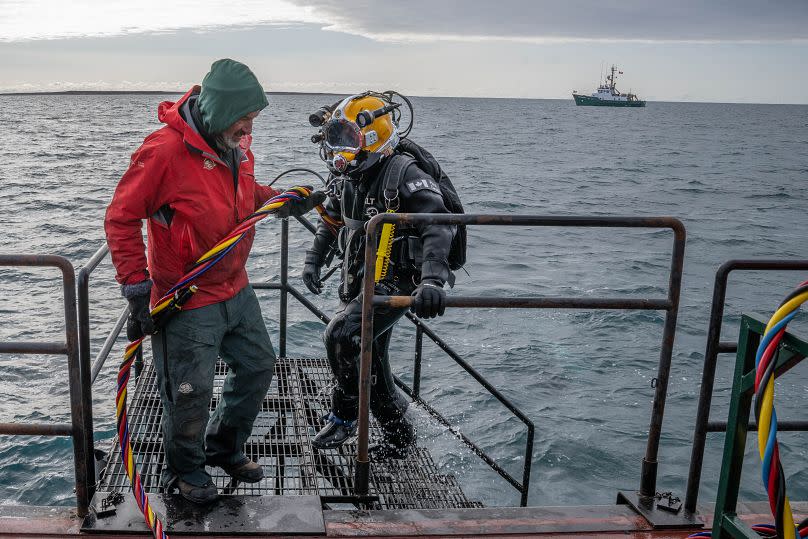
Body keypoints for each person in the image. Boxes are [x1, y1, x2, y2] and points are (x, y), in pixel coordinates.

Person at [104, 59, 323, 504]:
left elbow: (244, 196)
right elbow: (121, 217)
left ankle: (224, 449)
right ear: (222, 110)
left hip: (236, 289)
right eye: (245, 117)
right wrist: (136, 287)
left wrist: (281, 200)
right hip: (187, 298)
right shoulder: (162, 152)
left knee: (260, 365)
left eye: (253, 120)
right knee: (190, 391)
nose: (249, 127)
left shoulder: (236, 145)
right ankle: (186, 471)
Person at [302, 92, 456, 460]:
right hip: (359, 279)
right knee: (371, 360)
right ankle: (401, 438)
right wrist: (313, 260)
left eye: (346, 139)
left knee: (341, 334)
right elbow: (332, 220)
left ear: (371, 139)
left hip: (395, 282)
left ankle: (345, 413)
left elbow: (437, 225)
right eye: (334, 138)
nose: (338, 149)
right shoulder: (349, 175)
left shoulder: (404, 173)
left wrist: (432, 280)